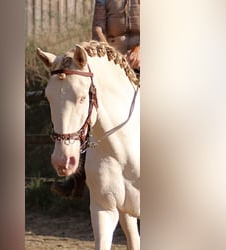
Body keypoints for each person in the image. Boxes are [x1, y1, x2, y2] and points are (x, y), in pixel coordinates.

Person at [51, 0, 140, 199]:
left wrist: (141, 49)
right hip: (115, 65)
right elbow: (98, 29)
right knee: (88, 105)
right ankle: (78, 176)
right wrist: (111, 56)